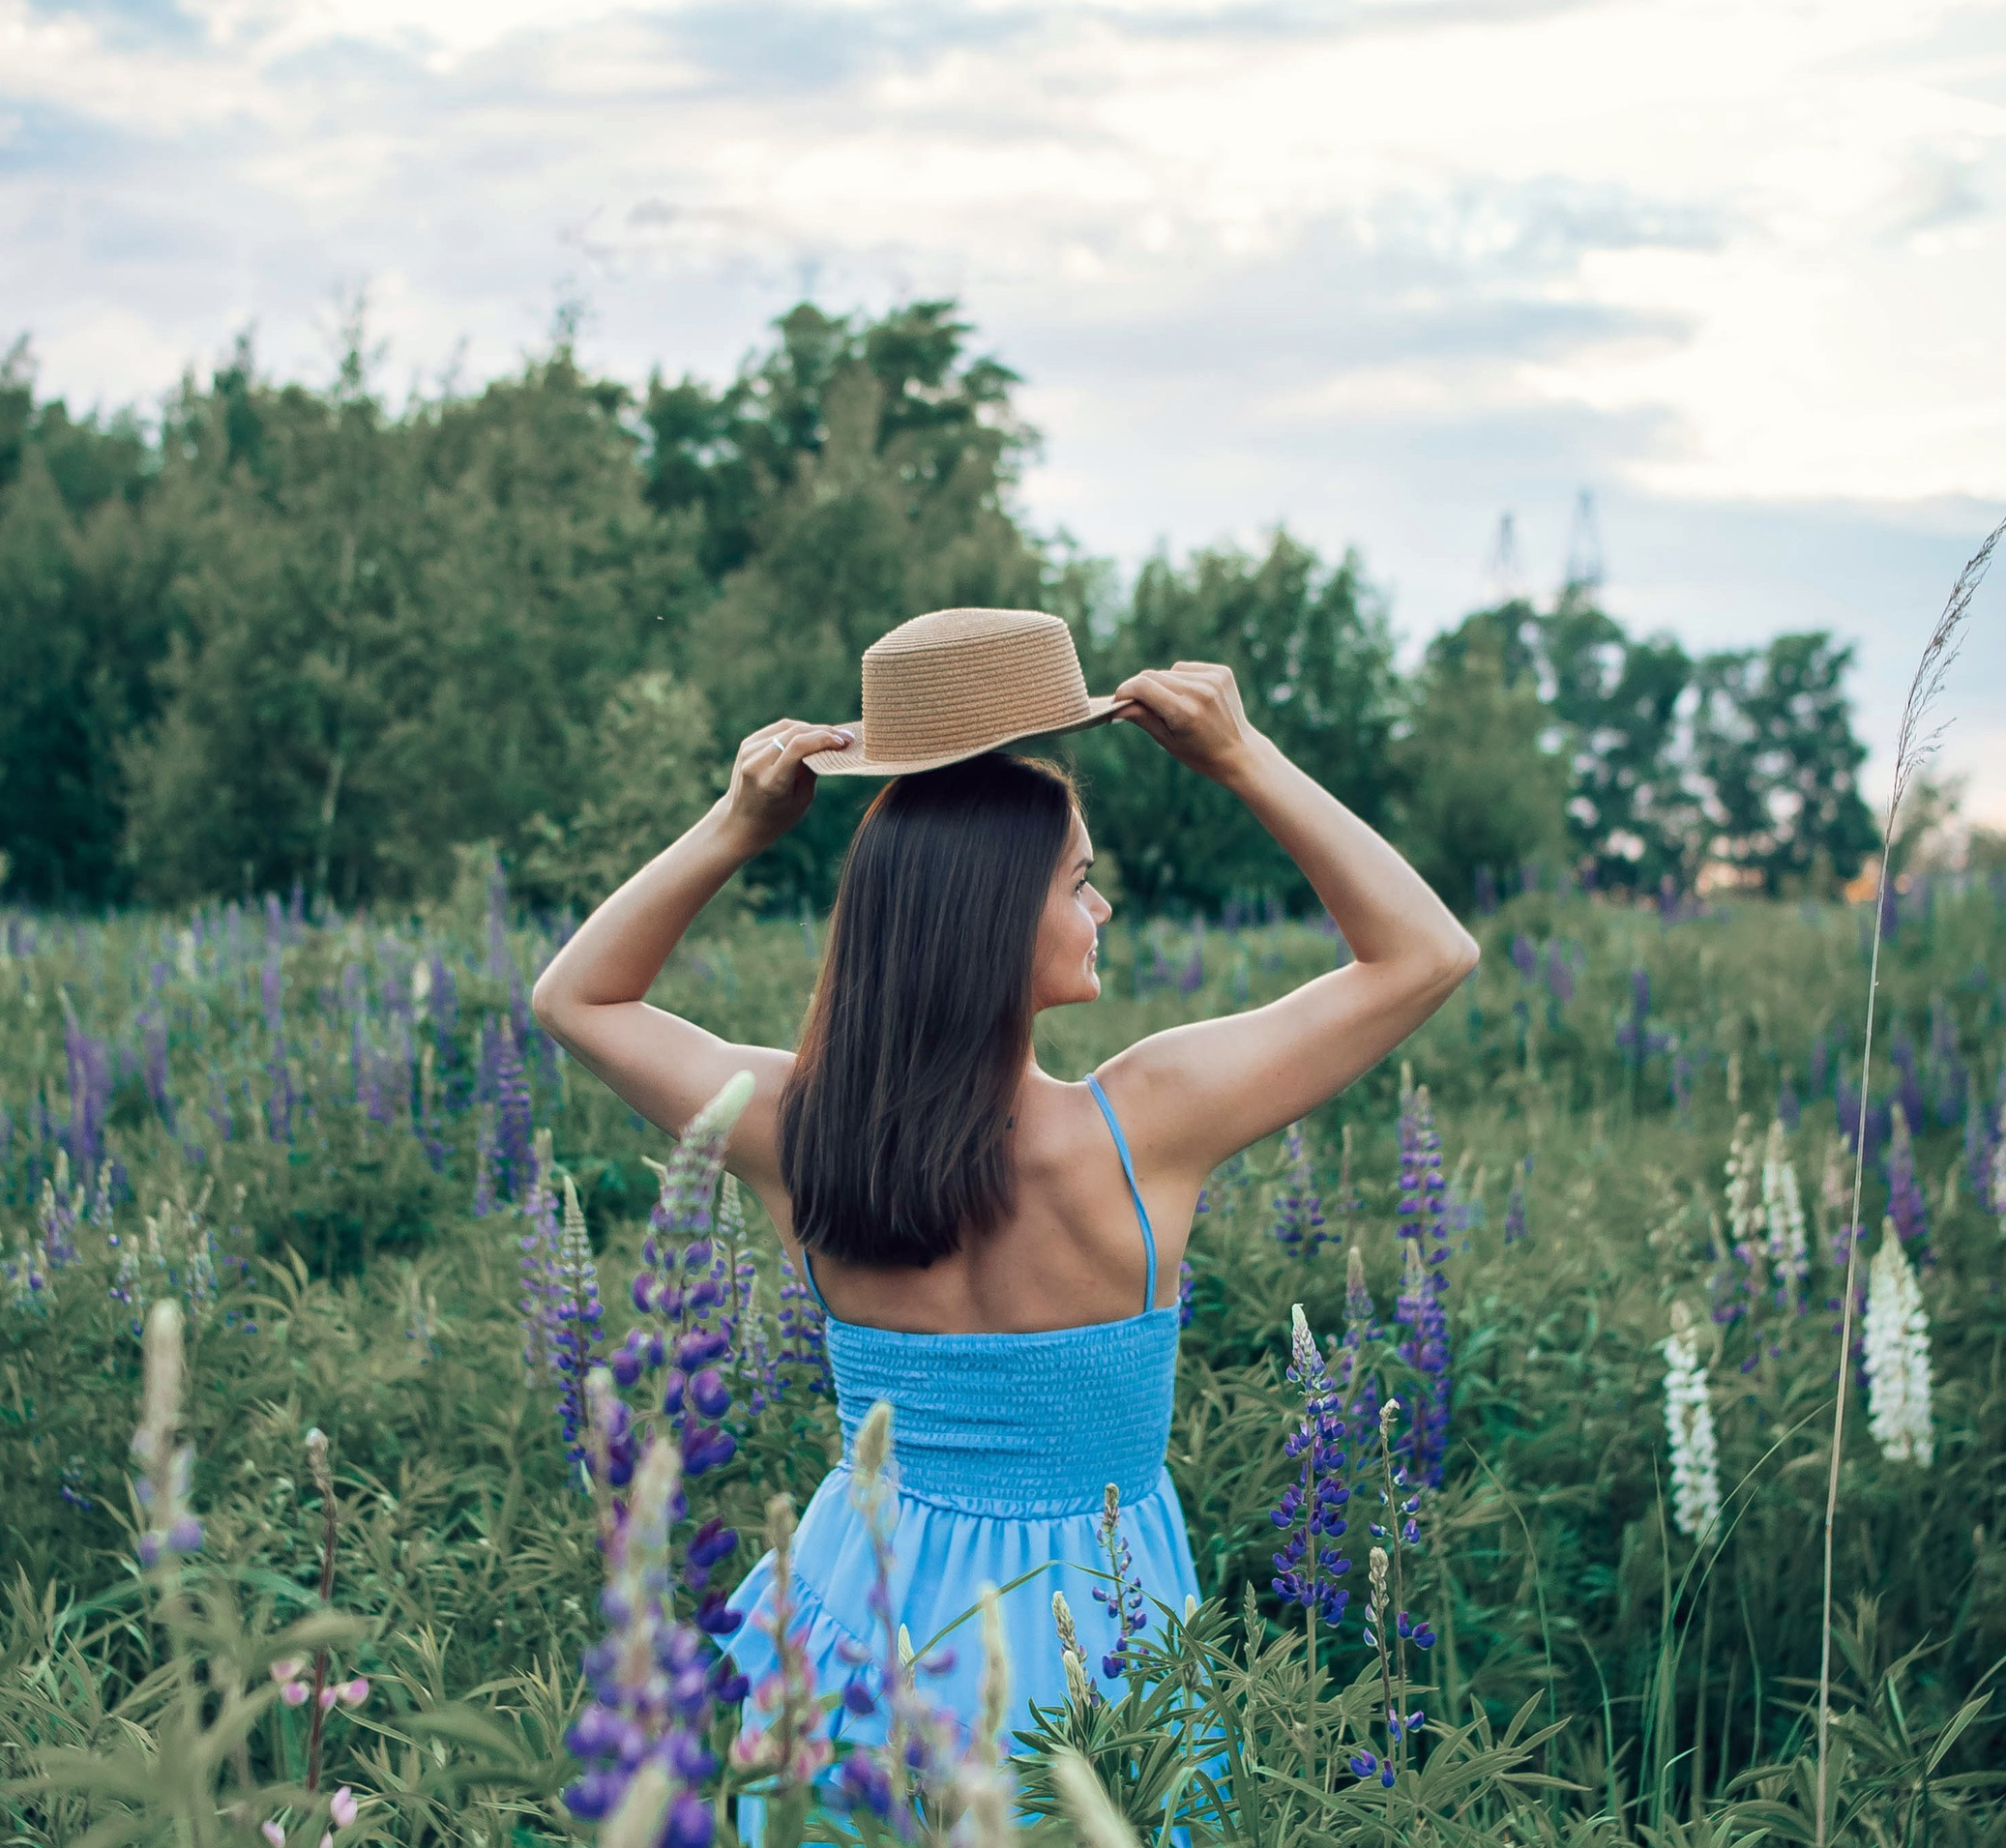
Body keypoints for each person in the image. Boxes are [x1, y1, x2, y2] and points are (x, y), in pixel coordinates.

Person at [533, 603, 1476, 1750]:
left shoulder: (793, 1127)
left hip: (858, 1617)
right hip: (1096, 1623)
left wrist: (735, 827)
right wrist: (1242, 757)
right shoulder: (1144, 1124)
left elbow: (574, 999)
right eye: (1078, 882)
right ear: (992, 918)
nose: (1101, 908)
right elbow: (1427, 953)